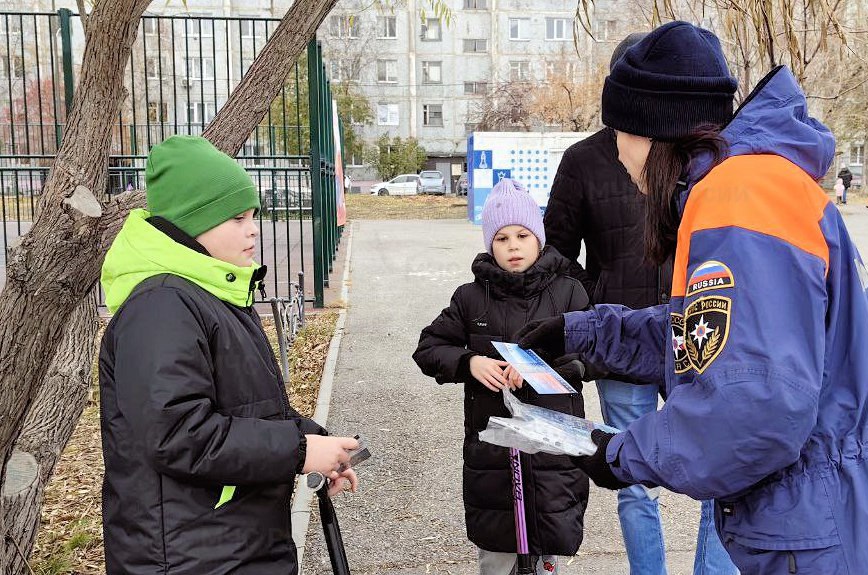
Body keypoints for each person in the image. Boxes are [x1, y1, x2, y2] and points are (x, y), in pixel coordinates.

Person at [517, 21, 868, 575]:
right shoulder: (752, 186)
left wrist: (618, 453)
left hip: (826, 530)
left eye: (617, 132)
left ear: (651, 129)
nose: (616, 152)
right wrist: (587, 332)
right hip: (841, 512)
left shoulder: (737, 199)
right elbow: (715, 338)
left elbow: (755, 408)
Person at [98, 135, 360, 574]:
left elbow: (249, 408)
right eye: (236, 217)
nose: (253, 228)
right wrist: (297, 451)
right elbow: (177, 434)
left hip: (228, 541)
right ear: (191, 224)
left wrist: (317, 441)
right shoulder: (162, 306)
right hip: (188, 554)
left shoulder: (210, 295)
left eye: (253, 214)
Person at [545, 31, 737, 575]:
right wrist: (588, 319)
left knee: (716, 471)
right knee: (630, 476)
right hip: (625, 346)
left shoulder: (717, 182)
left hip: (696, 332)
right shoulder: (583, 160)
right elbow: (558, 250)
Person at [413, 178, 591, 575]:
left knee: (549, 542)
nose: (513, 246)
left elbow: (592, 354)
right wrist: (469, 362)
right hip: (493, 455)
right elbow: (429, 348)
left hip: (552, 449)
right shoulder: (470, 298)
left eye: (522, 235)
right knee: (497, 551)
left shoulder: (569, 293)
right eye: (502, 238)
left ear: (539, 239)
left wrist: (542, 367)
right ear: (489, 244)